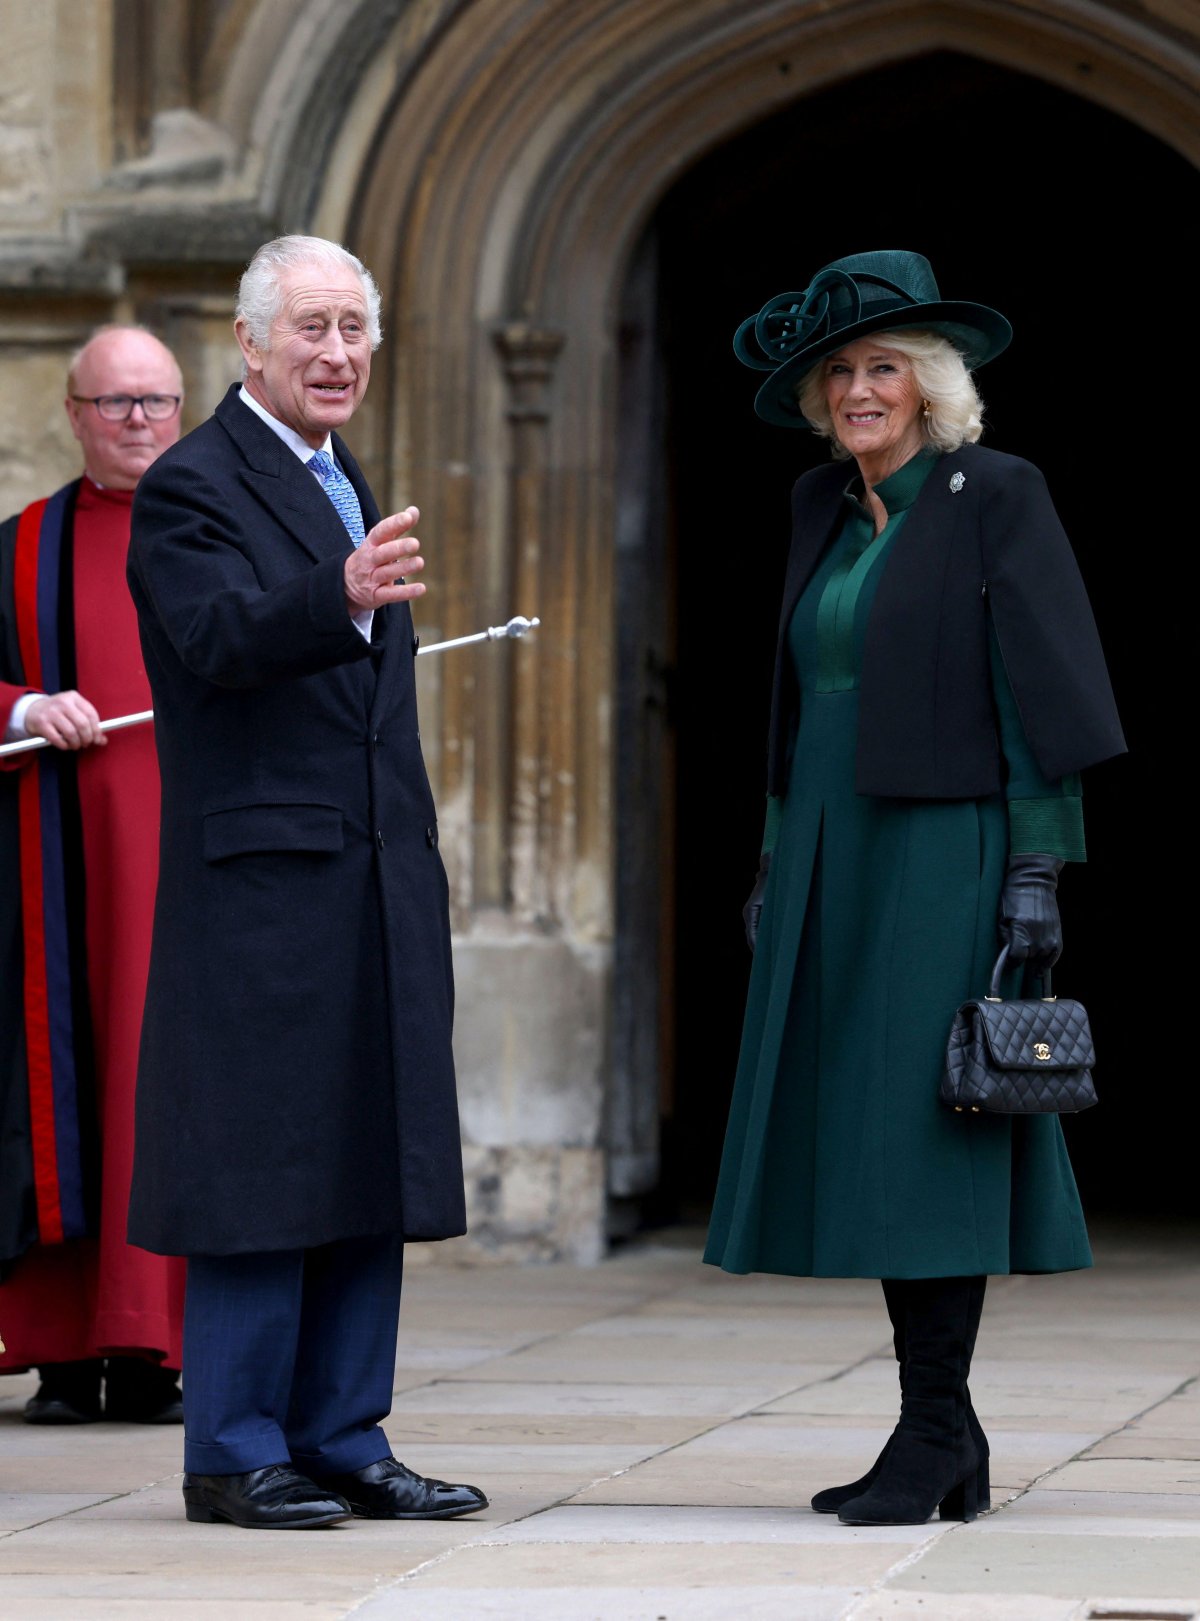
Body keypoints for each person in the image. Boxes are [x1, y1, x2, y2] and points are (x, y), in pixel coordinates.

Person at [704, 250, 1125, 1526]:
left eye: (882, 366)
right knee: (870, 1139)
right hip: (832, 842)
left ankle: (934, 1428)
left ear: (933, 387)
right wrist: (778, 857)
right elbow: (790, 703)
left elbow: (1041, 692)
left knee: (931, 1140)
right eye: (839, 371)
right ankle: (947, 1434)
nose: (857, 389)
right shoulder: (818, 509)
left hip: (946, 849)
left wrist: (1040, 867)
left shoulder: (995, 492)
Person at [125, 234, 487, 1531]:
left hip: (374, 877)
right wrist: (332, 592)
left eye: (355, 330)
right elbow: (215, 637)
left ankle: (345, 1434)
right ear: (252, 343)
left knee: (366, 1159)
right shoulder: (193, 484)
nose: (338, 353)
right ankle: (231, 1447)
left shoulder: (343, 474)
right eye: (314, 329)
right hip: (262, 892)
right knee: (263, 1165)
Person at [0, 326, 188, 1425]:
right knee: (64, 1093)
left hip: (193, 878)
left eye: (155, 401)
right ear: (72, 414)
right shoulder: (18, 548)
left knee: (165, 1098)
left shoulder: (231, 543)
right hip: (53, 880)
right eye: (112, 402)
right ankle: (64, 1352)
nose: (135, 421)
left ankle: (158, 1350)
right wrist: (23, 707)